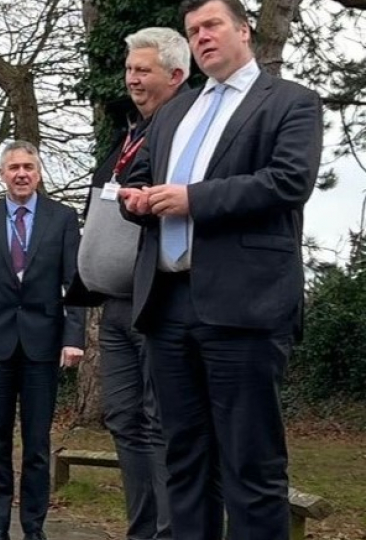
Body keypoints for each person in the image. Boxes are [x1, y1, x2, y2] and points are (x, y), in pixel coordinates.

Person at [119, 1, 323, 539]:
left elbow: (287, 181)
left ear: (244, 30)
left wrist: (195, 198)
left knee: (250, 463)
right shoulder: (173, 113)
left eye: (212, 26)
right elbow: (136, 180)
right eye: (192, 31)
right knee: (184, 459)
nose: (202, 36)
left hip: (244, 304)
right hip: (167, 304)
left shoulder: (291, 103)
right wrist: (135, 200)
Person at [64, 27, 190, 540]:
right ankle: (141, 530)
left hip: (157, 300)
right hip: (112, 302)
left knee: (161, 424)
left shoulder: (184, 128)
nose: (132, 79)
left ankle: (170, 530)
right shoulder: (130, 130)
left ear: (176, 75)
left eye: (144, 70)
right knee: (123, 419)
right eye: (129, 69)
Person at [0, 141, 85, 540]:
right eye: (13, 168)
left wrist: (73, 337)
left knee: (38, 444)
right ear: (2, 174)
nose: (21, 173)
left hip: (44, 345)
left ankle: (34, 527)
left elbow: (74, 285)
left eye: (28, 166)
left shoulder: (62, 218)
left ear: (39, 173)